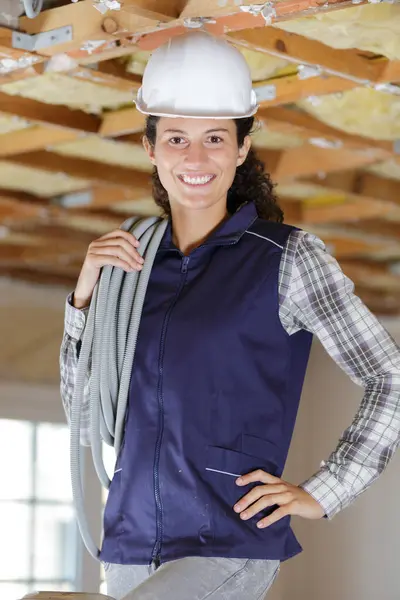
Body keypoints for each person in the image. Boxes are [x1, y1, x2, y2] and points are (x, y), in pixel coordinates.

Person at [60, 32, 400, 600]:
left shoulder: (287, 259)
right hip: (128, 542)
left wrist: (327, 489)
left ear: (241, 148)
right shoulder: (128, 266)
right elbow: (84, 413)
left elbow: (389, 374)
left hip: (226, 539)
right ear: (151, 148)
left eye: (215, 138)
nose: (195, 159)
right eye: (176, 139)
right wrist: (85, 300)